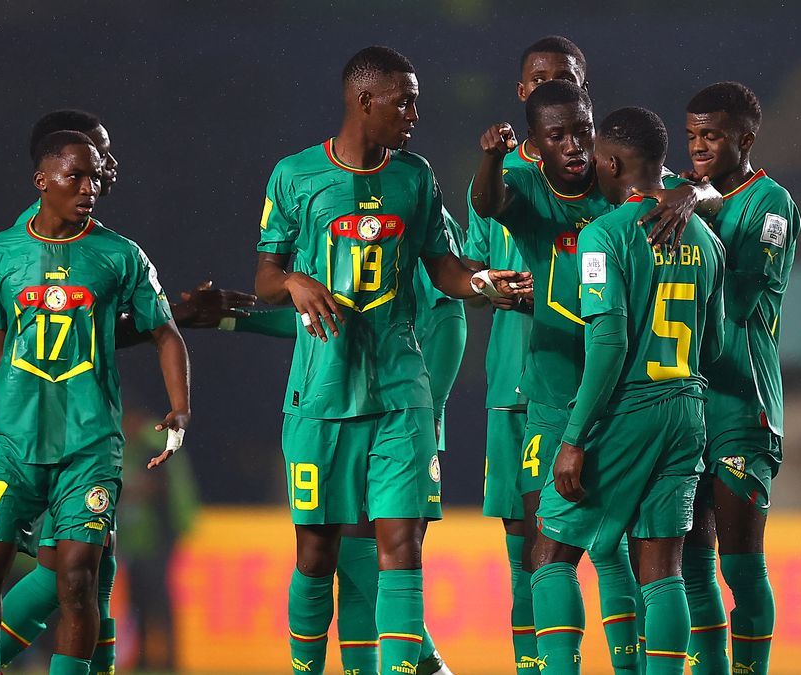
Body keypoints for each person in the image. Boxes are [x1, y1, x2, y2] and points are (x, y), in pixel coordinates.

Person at [253, 45, 528, 675]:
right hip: (321, 396)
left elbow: (445, 269)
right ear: (362, 100)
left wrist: (485, 283)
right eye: (402, 100)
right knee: (316, 555)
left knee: (401, 546)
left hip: (403, 394)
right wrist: (295, 283)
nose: (413, 113)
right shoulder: (294, 176)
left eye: (417, 100)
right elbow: (266, 277)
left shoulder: (416, 177)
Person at [0, 109, 254, 675]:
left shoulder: (117, 253)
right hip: (21, 441)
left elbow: (121, 329)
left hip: (90, 442)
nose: (105, 174)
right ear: (47, 173)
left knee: (81, 579)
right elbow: (29, 341)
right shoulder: (6, 252)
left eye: (103, 166)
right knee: (27, 577)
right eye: (93, 162)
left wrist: (178, 322)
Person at [530, 106, 724, 674]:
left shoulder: (602, 237)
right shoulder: (707, 242)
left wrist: (574, 437)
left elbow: (608, 346)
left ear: (611, 163)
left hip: (628, 410)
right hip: (688, 410)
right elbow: (709, 343)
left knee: (551, 552)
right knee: (661, 567)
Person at [462, 36, 581, 671]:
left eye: (564, 78)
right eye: (538, 78)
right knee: (521, 540)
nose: (548, 85)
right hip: (511, 377)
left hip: (581, 380)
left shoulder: (600, 173)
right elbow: (471, 279)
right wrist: (490, 287)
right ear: (520, 92)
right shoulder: (498, 176)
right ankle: (529, 663)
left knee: (585, 541)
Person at [679, 82, 801, 675]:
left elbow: (742, 293)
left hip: (741, 400)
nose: (699, 147)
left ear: (745, 139)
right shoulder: (682, 193)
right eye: (693, 136)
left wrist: (700, 211)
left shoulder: (772, 205)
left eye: (714, 136)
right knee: (690, 565)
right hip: (683, 402)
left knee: (740, 566)